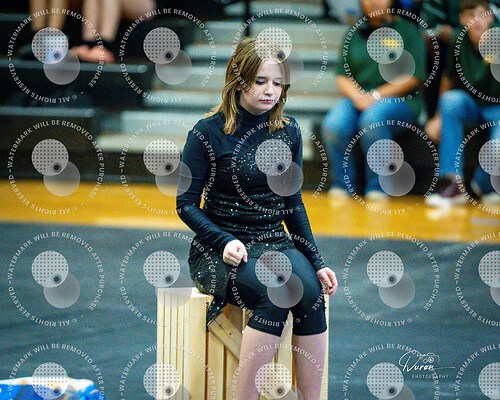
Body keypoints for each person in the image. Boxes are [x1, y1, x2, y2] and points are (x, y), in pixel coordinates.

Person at [176, 37, 338, 399]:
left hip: (273, 242)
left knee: (312, 294)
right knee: (277, 294)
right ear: (239, 80)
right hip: (218, 250)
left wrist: (317, 262)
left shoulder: (288, 131)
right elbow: (185, 204)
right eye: (260, 81)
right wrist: (223, 241)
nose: (270, 91)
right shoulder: (206, 133)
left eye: (277, 83)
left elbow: (292, 204)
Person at [322, 0, 427, 200]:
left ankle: (378, 187)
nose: (373, 2)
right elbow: (342, 75)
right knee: (333, 124)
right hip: (359, 97)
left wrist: (375, 96)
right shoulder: (354, 32)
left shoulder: (408, 30)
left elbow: (414, 76)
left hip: (400, 99)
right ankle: (342, 184)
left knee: (373, 119)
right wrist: (358, 96)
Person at [425, 0, 500, 207]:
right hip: (471, 105)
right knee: (450, 100)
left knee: (497, 145)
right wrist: (437, 117)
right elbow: (447, 78)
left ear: (490, 18)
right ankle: (452, 183)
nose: (477, 20)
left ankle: (482, 185)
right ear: (461, 20)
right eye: (470, 15)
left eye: (481, 14)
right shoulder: (458, 40)